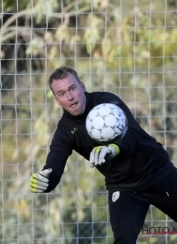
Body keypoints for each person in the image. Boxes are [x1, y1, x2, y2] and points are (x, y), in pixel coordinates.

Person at [29, 66, 177, 243]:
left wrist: (114, 148)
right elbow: (54, 166)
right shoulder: (65, 131)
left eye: (72, 88)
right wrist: (45, 179)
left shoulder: (107, 101)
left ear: (82, 86)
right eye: (62, 93)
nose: (69, 97)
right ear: (56, 100)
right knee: (123, 240)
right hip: (123, 187)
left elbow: (133, 133)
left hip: (157, 172)